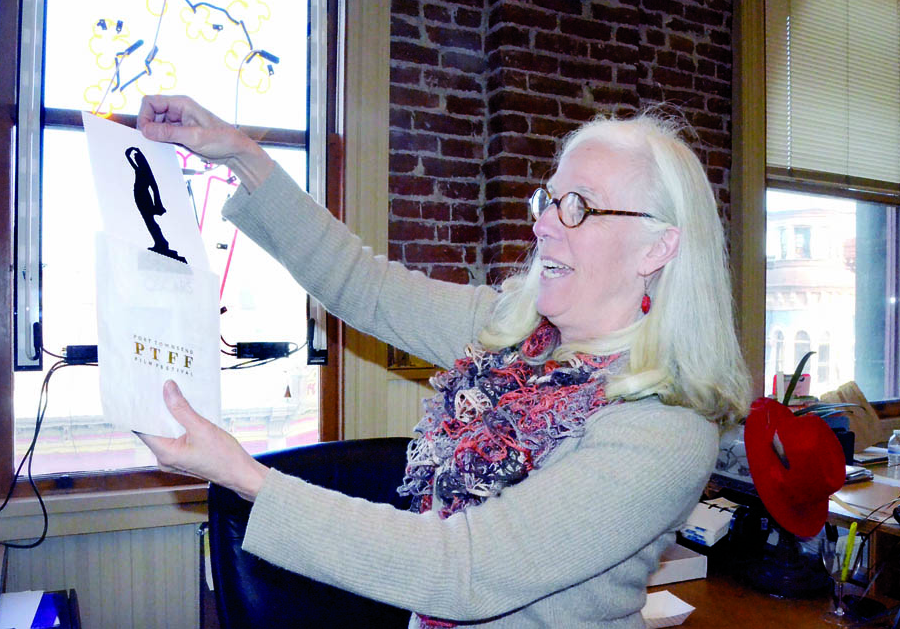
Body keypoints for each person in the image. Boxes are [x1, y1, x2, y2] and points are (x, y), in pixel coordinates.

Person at [135, 94, 751, 628]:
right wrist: (241, 152)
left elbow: (465, 570)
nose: (542, 225)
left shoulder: (664, 427)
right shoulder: (512, 332)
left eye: (579, 207)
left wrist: (247, 477)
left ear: (658, 246)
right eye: (549, 199)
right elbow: (363, 286)